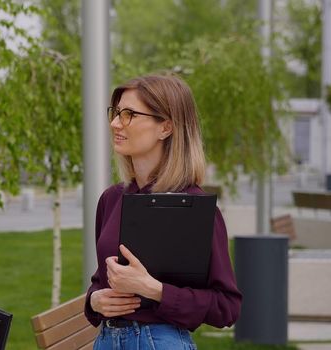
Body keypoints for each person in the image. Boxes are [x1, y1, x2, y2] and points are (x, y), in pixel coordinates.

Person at [84, 74, 242, 349]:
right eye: (116, 112)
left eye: (129, 114)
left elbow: (226, 306)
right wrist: (94, 301)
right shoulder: (111, 199)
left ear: (166, 127)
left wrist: (153, 289)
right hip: (106, 341)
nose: (114, 123)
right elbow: (100, 281)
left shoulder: (194, 207)